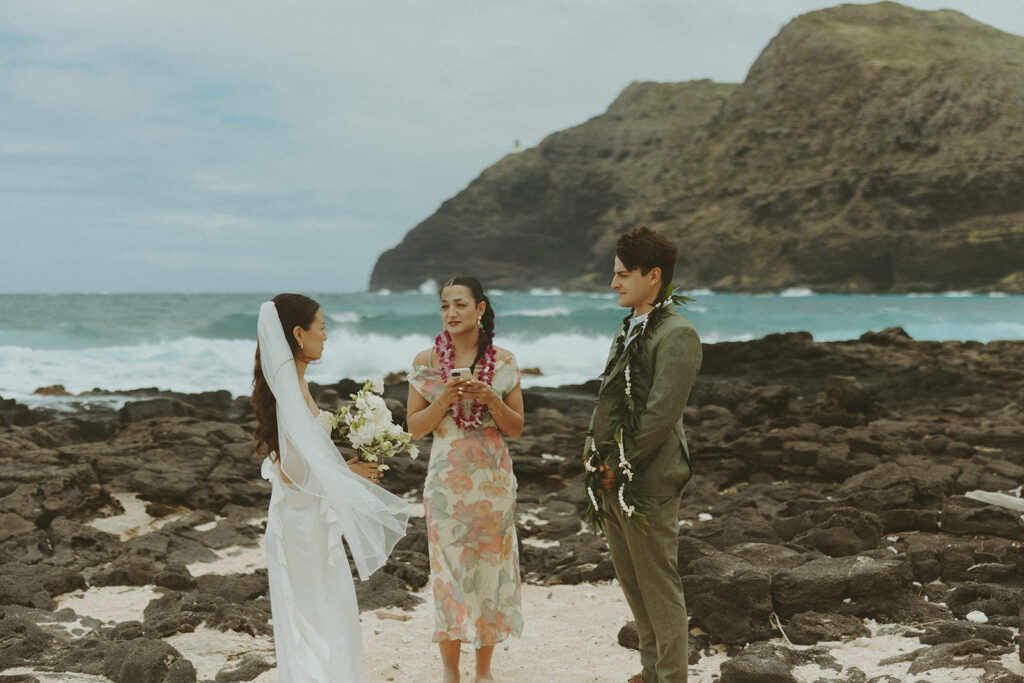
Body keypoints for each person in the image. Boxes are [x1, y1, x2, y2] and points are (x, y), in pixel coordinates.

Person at [252, 293, 410, 682]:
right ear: (298, 333)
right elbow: (290, 472)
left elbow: (302, 462)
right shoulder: (290, 390)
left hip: (309, 520)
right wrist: (349, 474)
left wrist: (347, 468)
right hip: (301, 526)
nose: (327, 335)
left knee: (329, 610)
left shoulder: (296, 385)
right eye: (321, 327)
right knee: (317, 613)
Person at [582, 228, 702, 683]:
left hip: (651, 475)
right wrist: (593, 457)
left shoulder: (678, 334)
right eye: (614, 274)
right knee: (633, 581)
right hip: (609, 473)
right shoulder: (629, 324)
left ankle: (670, 677)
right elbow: (609, 400)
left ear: (654, 276)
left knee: (658, 582)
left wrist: (620, 463)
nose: (614, 284)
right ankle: (651, 671)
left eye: (622, 275)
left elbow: (660, 414)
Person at [406, 276, 525, 683]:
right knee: (447, 576)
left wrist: (491, 398)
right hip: (446, 483)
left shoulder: (505, 361)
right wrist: (446, 399)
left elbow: (516, 428)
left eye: (459, 304)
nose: (451, 313)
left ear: (481, 308)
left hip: (492, 483)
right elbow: (414, 429)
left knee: (490, 573)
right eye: (444, 306)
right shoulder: (425, 362)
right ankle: (450, 672)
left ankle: (484, 673)